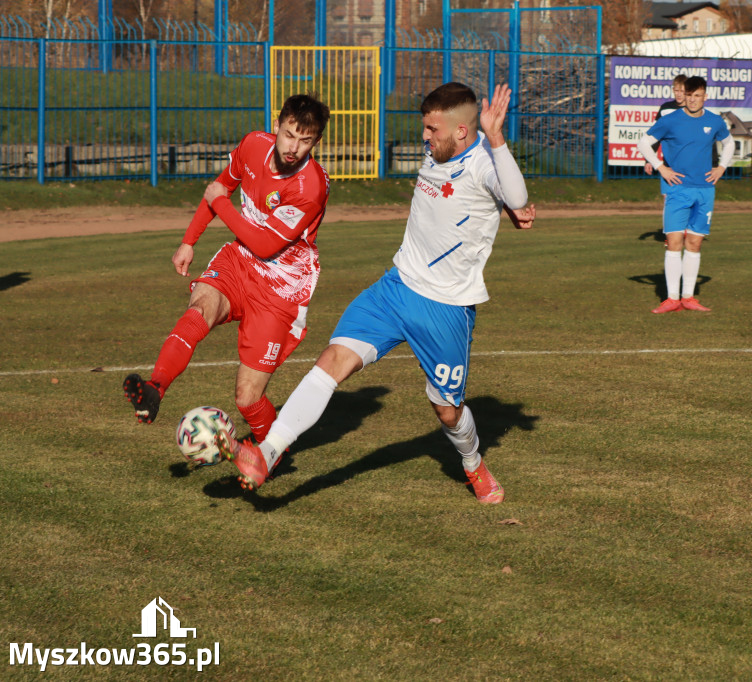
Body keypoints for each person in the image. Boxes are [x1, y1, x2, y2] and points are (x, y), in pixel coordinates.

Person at [215, 82, 536, 505]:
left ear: (461, 131)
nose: (424, 136)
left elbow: (516, 195)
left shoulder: (483, 163)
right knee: (331, 362)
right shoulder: (438, 149)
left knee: (448, 411)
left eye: (432, 129)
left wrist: (496, 141)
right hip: (395, 287)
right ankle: (266, 455)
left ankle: (473, 465)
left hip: (446, 308)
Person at [123, 93, 332, 444]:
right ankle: (155, 387)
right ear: (277, 125)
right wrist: (189, 240)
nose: (294, 147)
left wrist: (220, 203)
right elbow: (222, 185)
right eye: (289, 134)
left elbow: (265, 243)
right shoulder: (253, 144)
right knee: (202, 306)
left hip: (282, 286)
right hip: (240, 260)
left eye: (305, 140)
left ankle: (268, 452)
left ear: (316, 141)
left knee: (247, 397)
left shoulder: (309, 186)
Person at [637, 75, 734, 314]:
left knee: (695, 242)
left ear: (705, 96)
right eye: (689, 95)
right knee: (674, 242)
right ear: (684, 96)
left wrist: (721, 167)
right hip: (677, 190)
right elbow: (643, 142)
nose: (692, 100)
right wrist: (661, 167)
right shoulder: (670, 120)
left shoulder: (714, 121)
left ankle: (689, 297)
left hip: (704, 190)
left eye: (697, 95)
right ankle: (671, 298)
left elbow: (729, 143)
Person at [643, 73, 687, 177]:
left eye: (682, 91)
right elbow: (655, 135)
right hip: (669, 164)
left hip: (690, 164)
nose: (679, 94)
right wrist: (648, 160)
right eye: (677, 91)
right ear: (673, 90)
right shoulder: (665, 109)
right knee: (668, 193)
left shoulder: (693, 109)